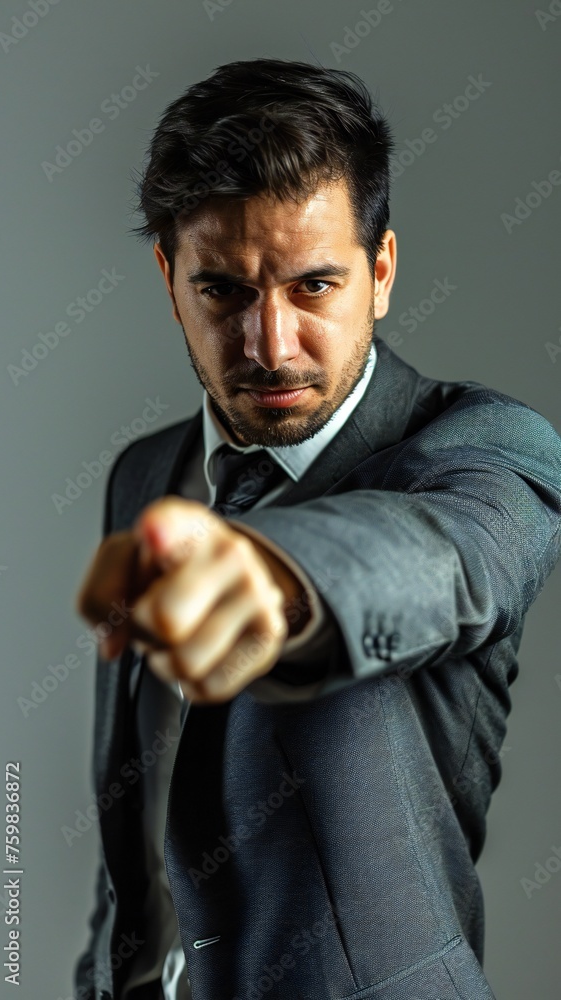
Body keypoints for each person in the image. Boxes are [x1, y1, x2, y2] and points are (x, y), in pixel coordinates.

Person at [72, 58, 561, 1000]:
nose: (270, 346)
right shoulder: (144, 475)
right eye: (222, 292)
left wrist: (272, 576)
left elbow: (447, 559)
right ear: (169, 277)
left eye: (312, 287)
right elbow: (140, 815)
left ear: (380, 273)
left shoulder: (491, 448)